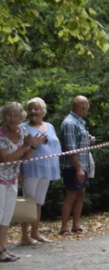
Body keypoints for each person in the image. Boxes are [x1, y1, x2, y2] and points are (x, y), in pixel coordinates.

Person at [0, 102, 40, 261]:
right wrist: (26, 145)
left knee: (7, 215)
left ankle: (3, 247)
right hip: (0, 179)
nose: (12, 119)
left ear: (21, 117)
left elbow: (25, 157)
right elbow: (7, 158)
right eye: (9, 115)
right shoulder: (1, 134)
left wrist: (33, 147)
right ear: (4, 116)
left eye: (16, 116)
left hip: (12, 178)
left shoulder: (23, 131)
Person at [19, 97, 61, 245]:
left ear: (43, 111)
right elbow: (20, 152)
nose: (33, 111)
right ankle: (24, 236)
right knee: (29, 202)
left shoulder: (50, 126)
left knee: (39, 202)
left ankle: (35, 232)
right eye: (30, 109)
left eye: (36, 109)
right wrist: (33, 145)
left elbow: (54, 146)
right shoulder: (23, 128)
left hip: (46, 169)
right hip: (30, 169)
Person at [59, 95, 93, 236]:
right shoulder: (70, 123)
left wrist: (89, 139)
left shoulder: (80, 122)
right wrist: (78, 168)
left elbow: (79, 141)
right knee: (72, 195)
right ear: (82, 107)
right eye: (87, 106)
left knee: (81, 193)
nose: (88, 109)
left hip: (83, 164)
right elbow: (71, 148)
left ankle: (76, 225)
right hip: (73, 166)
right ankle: (64, 227)